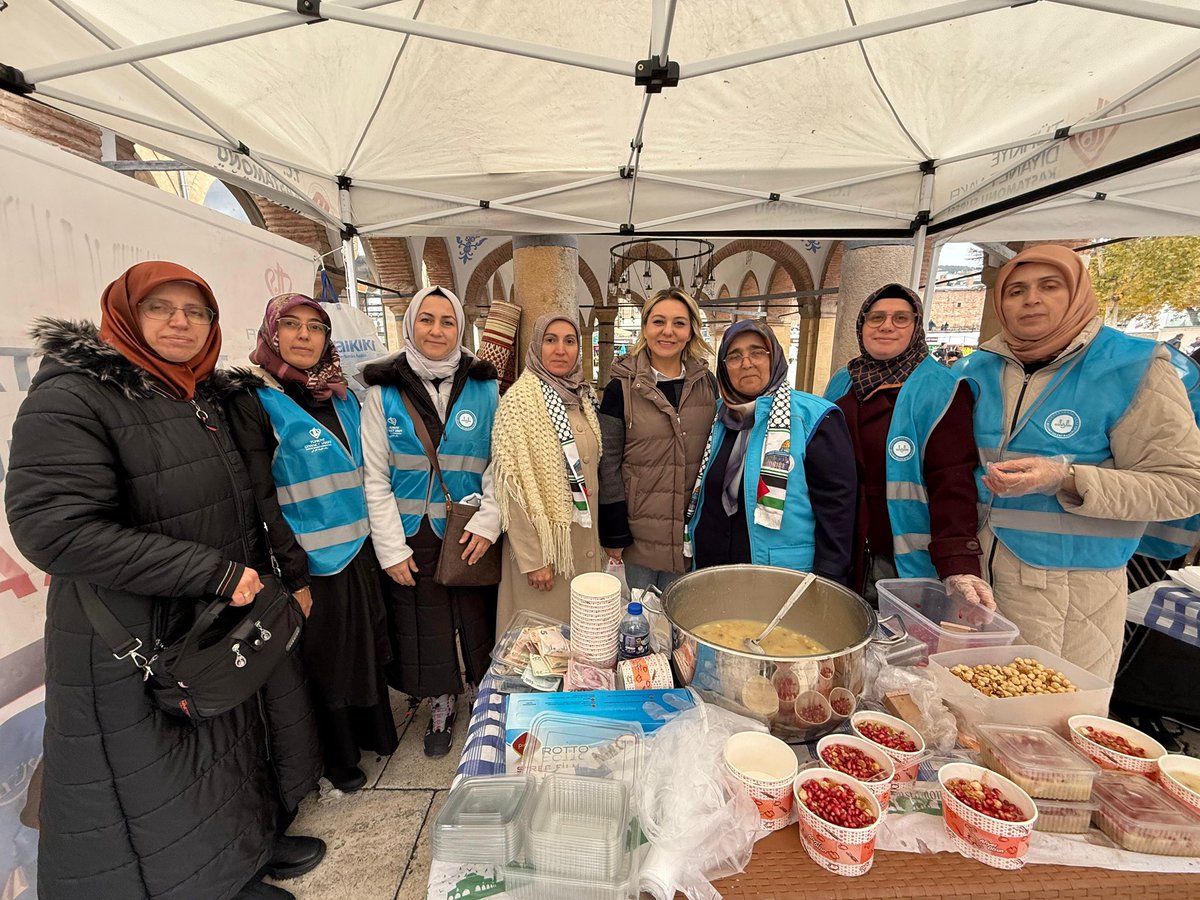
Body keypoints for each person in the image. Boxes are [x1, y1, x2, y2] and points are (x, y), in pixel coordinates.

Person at [5, 262, 323, 900]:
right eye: (160, 308)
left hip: (210, 616)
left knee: (226, 747)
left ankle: (245, 852)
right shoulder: (75, 396)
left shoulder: (198, 395)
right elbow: (54, 530)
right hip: (134, 631)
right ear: (126, 315)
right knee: (159, 777)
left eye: (196, 311)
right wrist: (211, 572)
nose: (181, 323)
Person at [957, 245, 1200, 679]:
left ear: (1077, 294)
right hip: (976, 585)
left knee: (1050, 714)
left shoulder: (1132, 367)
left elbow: (1184, 487)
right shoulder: (976, 369)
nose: (1031, 299)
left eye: (1049, 286)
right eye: (1015, 290)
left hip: (1071, 599)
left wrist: (1066, 478)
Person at [225, 293, 398, 792]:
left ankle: (373, 734)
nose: (304, 335)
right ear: (271, 333)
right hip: (310, 559)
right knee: (328, 661)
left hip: (359, 547)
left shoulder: (340, 395)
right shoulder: (255, 401)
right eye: (291, 324)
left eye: (315, 327)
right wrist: (293, 572)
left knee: (363, 648)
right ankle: (338, 758)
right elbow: (261, 496)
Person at [360, 286, 500, 758]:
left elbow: (499, 463)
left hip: (469, 526)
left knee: (477, 616)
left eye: (447, 321)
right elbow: (375, 475)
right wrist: (390, 549)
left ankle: (483, 692)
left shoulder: (485, 386)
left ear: (460, 328)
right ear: (410, 324)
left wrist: (489, 521)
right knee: (425, 621)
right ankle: (440, 699)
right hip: (412, 530)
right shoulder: (382, 392)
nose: (436, 330)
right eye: (427, 319)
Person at [825, 284, 992, 608]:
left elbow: (952, 480)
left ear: (917, 326)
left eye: (900, 318)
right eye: (876, 318)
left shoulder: (942, 388)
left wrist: (958, 562)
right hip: (843, 547)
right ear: (861, 325)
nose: (886, 326)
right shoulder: (843, 381)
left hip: (902, 559)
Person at [686, 320, 857, 582]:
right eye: (734, 356)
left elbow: (837, 508)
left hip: (780, 576)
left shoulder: (814, 417)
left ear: (774, 357)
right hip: (713, 569)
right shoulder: (717, 415)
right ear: (723, 367)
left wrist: (828, 577)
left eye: (757, 352)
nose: (746, 363)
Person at [598, 288, 717, 591]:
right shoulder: (620, 389)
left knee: (683, 616)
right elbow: (608, 463)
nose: (668, 331)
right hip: (639, 536)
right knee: (639, 614)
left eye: (679, 323)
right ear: (645, 327)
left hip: (692, 533)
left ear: (691, 331)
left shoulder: (707, 384)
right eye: (659, 321)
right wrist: (614, 531)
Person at [492, 312, 605, 628]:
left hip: (582, 545)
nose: (560, 350)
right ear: (536, 346)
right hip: (546, 556)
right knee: (542, 642)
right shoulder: (518, 403)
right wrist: (533, 560)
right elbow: (510, 485)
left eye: (569, 341)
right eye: (550, 340)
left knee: (583, 638)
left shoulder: (582, 397)